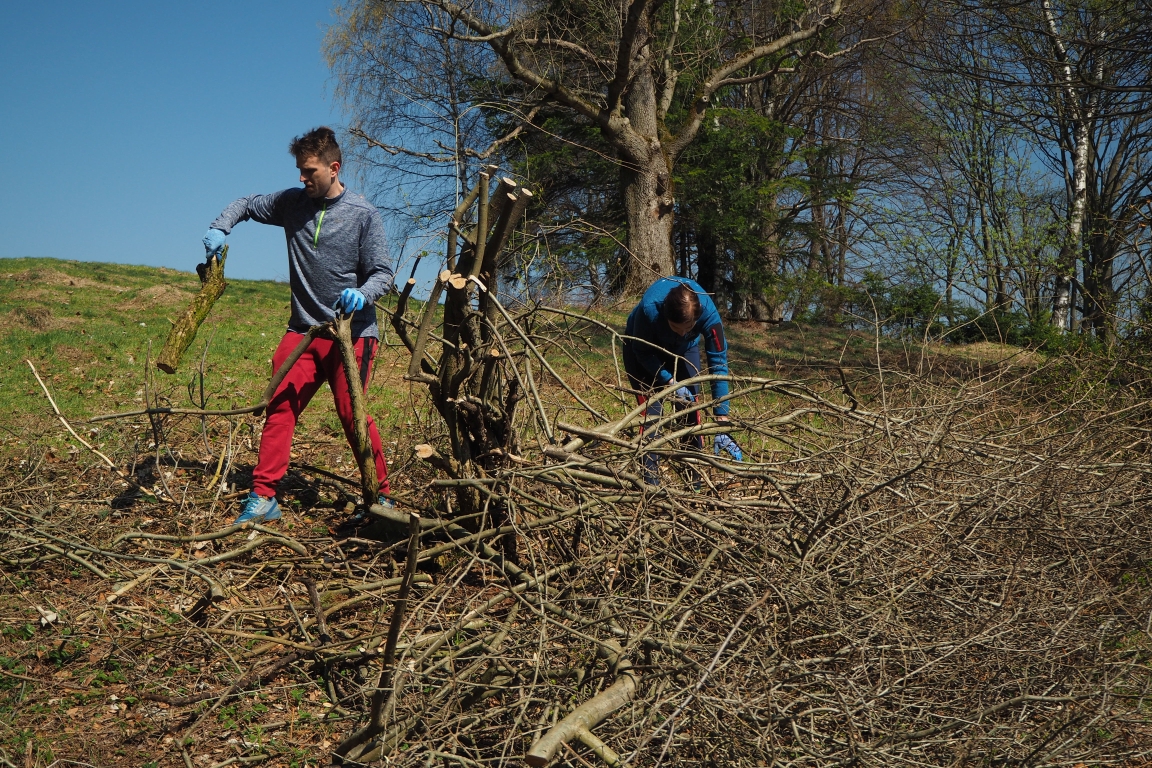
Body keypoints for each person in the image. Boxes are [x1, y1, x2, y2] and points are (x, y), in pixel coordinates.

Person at [202, 127, 394, 523]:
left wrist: (363, 293)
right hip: (304, 331)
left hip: (352, 334)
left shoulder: (363, 214)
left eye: (309, 172)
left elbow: (383, 273)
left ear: (334, 168)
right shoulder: (292, 203)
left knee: (351, 412)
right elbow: (247, 204)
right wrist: (221, 226)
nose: (302, 179)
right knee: (280, 406)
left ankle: (382, 498)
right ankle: (263, 497)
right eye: (299, 171)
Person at [622, 277, 742, 485]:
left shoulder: (709, 314)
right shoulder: (649, 309)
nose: (683, 332)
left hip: (685, 350)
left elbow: (718, 363)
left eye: (688, 328)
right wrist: (670, 382)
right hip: (644, 352)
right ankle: (650, 486)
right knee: (651, 419)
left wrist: (722, 418)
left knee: (689, 411)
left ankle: (693, 480)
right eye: (676, 328)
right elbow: (641, 352)